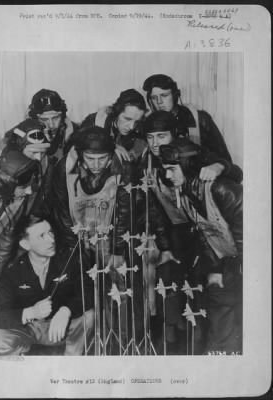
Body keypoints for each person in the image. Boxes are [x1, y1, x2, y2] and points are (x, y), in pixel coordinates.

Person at [134, 111, 242, 354]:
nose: (154, 143)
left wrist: (218, 165)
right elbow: (154, 210)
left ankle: (216, 347)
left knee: (216, 295)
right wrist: (166, 247)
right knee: (185, 295)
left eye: (161, 136)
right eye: (150, 137)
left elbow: (235, 174)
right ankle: (183, 346)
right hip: (184, 234)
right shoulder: (147, 163)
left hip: (212, 234)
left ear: (175, 135)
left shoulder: (191, 153)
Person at [52, 126, 132, 354]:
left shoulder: (123, 167)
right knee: (82, 290)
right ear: (80, 155)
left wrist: (117, 248)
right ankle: (87, 346)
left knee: (117, 291)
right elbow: (61, 209)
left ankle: (120, 345)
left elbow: (125, 211)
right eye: (90, 159)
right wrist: (73, 243)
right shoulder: (64, 168)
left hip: (109, 238)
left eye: (102, 159)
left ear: (111, 155)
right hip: (78, 238)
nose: (96, 165)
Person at [159, 137, 243, 354]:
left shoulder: (222, 189)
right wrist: (215, 270)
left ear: (187, 166)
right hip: (226, 260)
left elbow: (249, 235)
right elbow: (205, 235)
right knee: (218, 301)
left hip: (246, 262)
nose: (167, 176)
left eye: (171, 169)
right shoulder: (186, 195)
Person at [0, 215, 94, 355]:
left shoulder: (67, 260)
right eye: (42, 236)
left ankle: (72, 360)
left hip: (60, 327)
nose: (52, 240)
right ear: (25, 244)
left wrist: (66, 310)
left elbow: (88, 290)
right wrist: (30, 312)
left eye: (50, 232)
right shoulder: (14, 271)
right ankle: (19, 361)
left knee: (89, 315)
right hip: (27, 330)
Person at [142, 74, 243, 183]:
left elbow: (225, 161)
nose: (159, 102)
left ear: (175, 95)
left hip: (199, 183)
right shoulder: (148, 124)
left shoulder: (198, 119)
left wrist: (217, 167)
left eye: (164, 95)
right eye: (153, 97)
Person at [0, 150, 41, 281]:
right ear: (5, 183)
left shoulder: (18, 201)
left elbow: (6, 239)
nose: (30, 191)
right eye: (24, 187)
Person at [81, 89, 148, 162]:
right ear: (117, 112)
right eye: (127, 119)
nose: (131, 127)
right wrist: (111, 146)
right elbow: (78, 144)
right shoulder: (92, 121)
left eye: (136, 122)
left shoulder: (139, 132)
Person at [28, 89, 78, 159]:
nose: (51, 125)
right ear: (35, 119)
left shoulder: (78, 133)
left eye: (55, 118)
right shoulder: (24, 135)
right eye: (44, 119)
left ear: (62, 116)